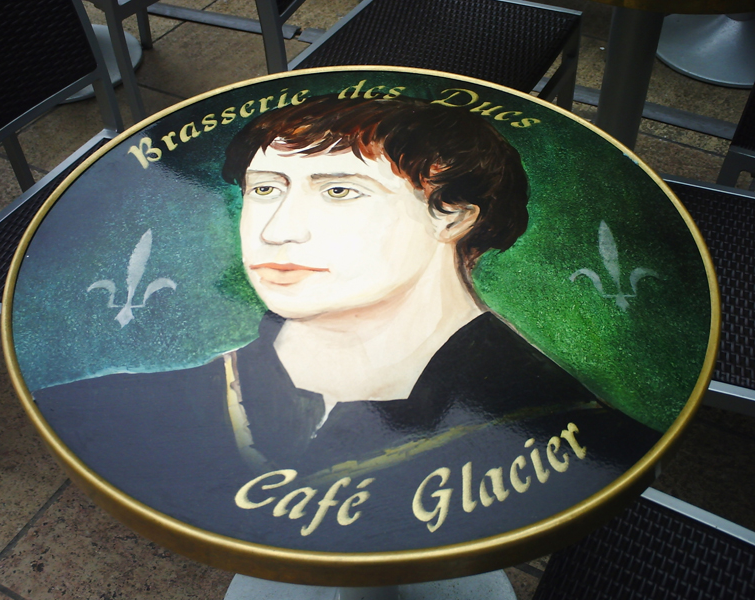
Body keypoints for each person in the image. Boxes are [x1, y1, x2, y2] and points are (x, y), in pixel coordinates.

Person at [33, 94, 660, 551]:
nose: (277, 231)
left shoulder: (581, 432)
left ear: (451, 215)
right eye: (265, 189)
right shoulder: (106, 407)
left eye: (338, 191)